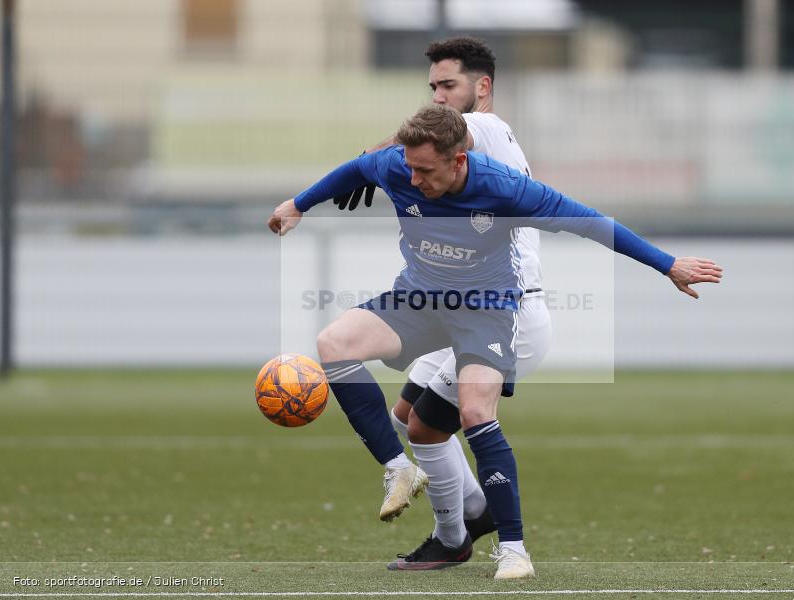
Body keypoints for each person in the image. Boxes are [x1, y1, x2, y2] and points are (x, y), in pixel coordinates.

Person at [268, 104, 723, 579]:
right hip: (419, 298)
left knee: (475, 413)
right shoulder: (398, 165)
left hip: (483, 310)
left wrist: (667, 264)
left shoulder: (504, 187)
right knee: (334, 343)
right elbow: (355, 169)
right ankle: (399, 468)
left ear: (458, 160)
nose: (414, 179)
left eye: (425, 170)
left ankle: (513, 550)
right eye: (410, 167)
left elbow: (590, 221)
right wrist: (296, 205)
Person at [335, 37, 551, 571]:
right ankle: (472, 511)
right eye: (432, 86)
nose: (437, 97)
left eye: (448, 85)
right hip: (462, 306)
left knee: (431, 427)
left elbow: (420, 138)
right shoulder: (468, 140)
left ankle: (460, 531)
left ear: (483, 87)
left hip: (507, 310)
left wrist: (367, 160)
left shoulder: (482, 127)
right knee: (407, 415)